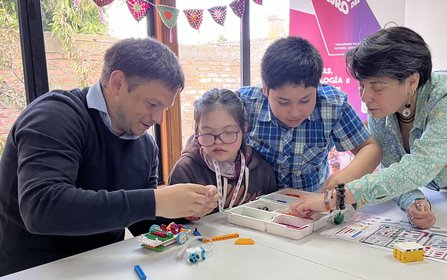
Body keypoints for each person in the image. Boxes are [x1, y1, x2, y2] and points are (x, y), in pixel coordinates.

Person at [0, 38, 218, 276]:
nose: (158, 119)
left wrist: (182, 212)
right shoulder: (54, 116)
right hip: (33, 270)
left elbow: (141, 224)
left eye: (164, 109)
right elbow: (41, 208)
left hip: (102, 269)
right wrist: (155, 200)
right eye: (152, 104)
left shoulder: (145, 145)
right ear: (117, 83)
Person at [290, 26, 447, 229]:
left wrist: (334, 199)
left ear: (412, 81)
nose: (365, 97)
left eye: (377, 87)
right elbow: (395, 172)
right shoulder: (382, 112)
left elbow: (420, 167)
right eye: (362, 85)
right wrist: (414, 202)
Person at [237, 36, 382, 193]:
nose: (295, 112)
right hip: (253, 198)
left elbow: (370, 148)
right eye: (283, 102)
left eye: (305, 100)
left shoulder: (333, 105)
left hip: (311, 196)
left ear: (317, 86)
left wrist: (345, 176)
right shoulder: (244, 103)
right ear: (265, 89)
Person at [169, 88, 278, 216]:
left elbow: (272, 213)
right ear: (197, 130)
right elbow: (168, 225)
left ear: (244, 129)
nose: (218, 141)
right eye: (208, 132)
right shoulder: (185, 170)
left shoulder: (261, 169)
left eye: (228, 132)